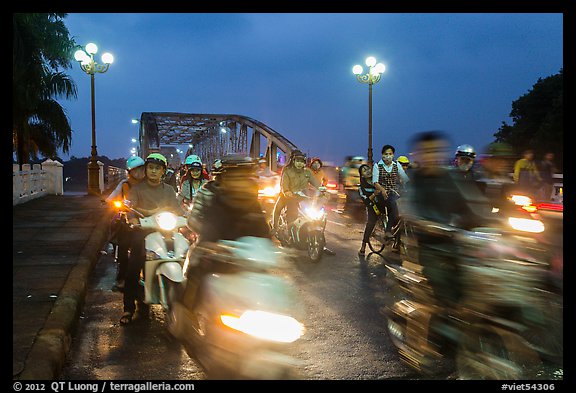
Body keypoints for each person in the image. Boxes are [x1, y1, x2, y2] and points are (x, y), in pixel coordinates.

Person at [405, 131, 494, 305]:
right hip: (432, 247)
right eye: (427, 151)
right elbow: (410, 207)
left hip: (460, 242)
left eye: (436, 150)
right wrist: (425, 224)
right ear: (420, 155)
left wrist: (492, 220)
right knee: (447, 294)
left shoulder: (454, 177)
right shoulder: (416, 181)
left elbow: (475, 203)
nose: (432, 156)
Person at [120, 153, 184, 325]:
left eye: (158, 168)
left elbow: (178, 210)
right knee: (134, 264)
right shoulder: (137, 189)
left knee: (185, 254)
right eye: (151, 168)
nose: (154, 171)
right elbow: (129, 208)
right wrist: (131, 218)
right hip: (143, 231)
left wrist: (187, 217)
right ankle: (128, 308)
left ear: (163, 171)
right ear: (146, 170)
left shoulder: (169, 191)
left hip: (166, 231)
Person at [105, 156, 146, 291]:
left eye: (141, 169)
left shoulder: (148, 184)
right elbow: (112, 198)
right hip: (127, 220)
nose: (139, 172)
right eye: (135, 170)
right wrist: (112, 203)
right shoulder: (124, 184)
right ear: (130, 171)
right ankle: (121, 278)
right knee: (123, 249)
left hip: (145, 221)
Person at [271, 150, 322, 234]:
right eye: (297, 161)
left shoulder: (307, 172)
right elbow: (284, 184)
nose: (299, 164)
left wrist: (322, 190)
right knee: (278, 209)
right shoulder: (287, 171)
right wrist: (287, 192)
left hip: (302, 197)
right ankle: (275, 227)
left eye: (302, 162)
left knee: (314, 212)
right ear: (293, 161)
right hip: (288, 196)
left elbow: (316, 183)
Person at [372, 145, 410, 247]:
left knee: (403, 212)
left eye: (390, 154)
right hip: (382, 194)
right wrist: (382, 189)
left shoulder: (396, 165)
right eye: (386, 154)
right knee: (394, 206)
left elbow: (406, 179)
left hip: (394, 193)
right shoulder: (377, 166)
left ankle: (397, 240)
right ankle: (388, 231)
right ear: (382, 155)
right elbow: (375, 182)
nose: (388, 156)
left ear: (393, 155)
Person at [358, 163, 385, 255]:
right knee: (371, 223)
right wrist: (374, 194)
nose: (368, 171)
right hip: (372, 206)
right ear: (362, 175)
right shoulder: (361, 187)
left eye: (368, 169)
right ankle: (363, 245)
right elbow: (366, 201)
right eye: (364, 171)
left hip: (383, 203)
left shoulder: (378, 181)